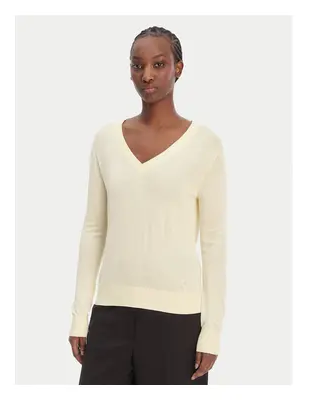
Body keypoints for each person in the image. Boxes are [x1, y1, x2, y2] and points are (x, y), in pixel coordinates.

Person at [68, 25, 227, 385]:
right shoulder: (106, 141)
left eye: (158, 64)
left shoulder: (205, 145)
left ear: (178, 68)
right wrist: (80, 316)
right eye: (137, 65)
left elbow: (214, 241)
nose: (147, 75)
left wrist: (212, 331)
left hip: (178, 319)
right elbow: (94, 230)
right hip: (110, 314)